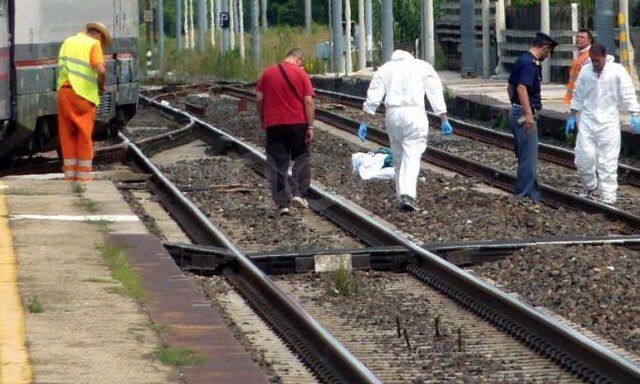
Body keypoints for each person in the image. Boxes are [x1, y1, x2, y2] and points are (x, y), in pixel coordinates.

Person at [359, 49, 452, 212]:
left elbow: (374, 96)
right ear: (411, 55)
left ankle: (400, 194)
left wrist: (364, 122)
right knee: (412, 154)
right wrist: (443, 118)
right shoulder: (422, 66)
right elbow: (434, 92)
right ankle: (407, 194)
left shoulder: (386, 68)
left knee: (397, 156)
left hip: (393, 114)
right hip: (415, 113)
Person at [566, 43, 640, 204]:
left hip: (609, 122)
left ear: (605, 57)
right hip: (587, 119)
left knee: (608, 161)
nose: (595, 63)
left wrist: (634, 113)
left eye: (598, 60)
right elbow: (578, 93)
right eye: (593, 60)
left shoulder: (617, 71)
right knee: (583, 157)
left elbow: (627, 92)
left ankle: (607, 197)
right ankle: (589, 186)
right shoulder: (586, 71)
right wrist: (572, 114)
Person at [256, 48, 315, 215]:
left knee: (277, 163)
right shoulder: (301, 74)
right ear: (298, 59)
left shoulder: (268, 73)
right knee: (302, 157)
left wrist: (263, 118)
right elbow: (308, 101)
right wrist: (310, 126)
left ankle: (283, 204)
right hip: (298, 123)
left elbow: (259, 98)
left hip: (274, 124)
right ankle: (299, 194)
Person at [507, 32, 558, 202]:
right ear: (545, 48)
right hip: (525, 114)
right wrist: (528, 114)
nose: (547, 56)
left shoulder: (521, 59)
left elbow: (510, 88)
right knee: (528, 158)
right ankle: (525, 195)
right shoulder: (530, 64)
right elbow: (521, 88)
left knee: (524, 155)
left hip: (517, 110)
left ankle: (529, 192)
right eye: (548, 52)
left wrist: (514, 106)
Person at [57, 22, 110, 181]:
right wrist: (101, 86)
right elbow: (100, 69)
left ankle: (70, 175)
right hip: (84, 96)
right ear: (99, 36)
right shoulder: (93, 44)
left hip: (64, 93)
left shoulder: (68, 41)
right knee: (84, 134)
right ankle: (84, 176)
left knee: (67, 135)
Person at [563, 29, 593, 105]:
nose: (578, 39)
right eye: (577, 37)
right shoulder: (581, 54)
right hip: (576, 99)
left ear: (589, 40)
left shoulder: (591, 55)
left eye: (582, 37)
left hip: (584, 100)